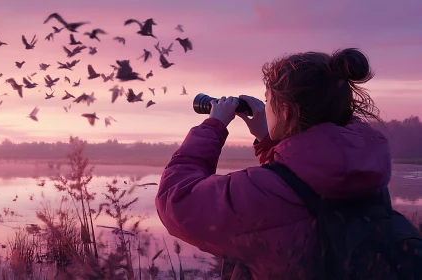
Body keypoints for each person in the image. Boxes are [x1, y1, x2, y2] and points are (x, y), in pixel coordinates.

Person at [155, 48, 393, 279]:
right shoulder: (365, 171)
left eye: (268, 101)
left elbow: (174, 201)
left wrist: (213, 126)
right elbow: (301, 186)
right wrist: (270, 142)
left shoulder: (264, 193)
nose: (265, 107)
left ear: (286, 112)